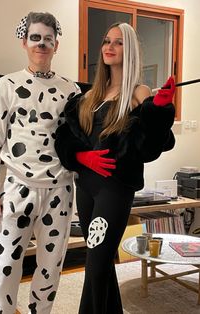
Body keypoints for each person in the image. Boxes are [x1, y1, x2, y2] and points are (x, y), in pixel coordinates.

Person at [54, 22, 175, 313]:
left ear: (129, 48)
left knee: (95, 266)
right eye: (107, 41)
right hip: (85, 187)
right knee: (100, 262)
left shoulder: (138, 91)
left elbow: (153, 144)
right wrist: (82, 158)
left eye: (118, 42)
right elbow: (67, 139)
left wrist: (158, 110)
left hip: (113, 188)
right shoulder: (92, 94)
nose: (109, 46)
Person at [0, 11, 80, 314]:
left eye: (48, 39)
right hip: (18, 188)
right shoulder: (5, 86)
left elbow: (78, 139)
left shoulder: (71, 90)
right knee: (6, 264)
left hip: (60, 191)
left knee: (50, 268)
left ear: (56, 45)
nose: (41, 44)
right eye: (35, 38)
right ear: (24, 42)